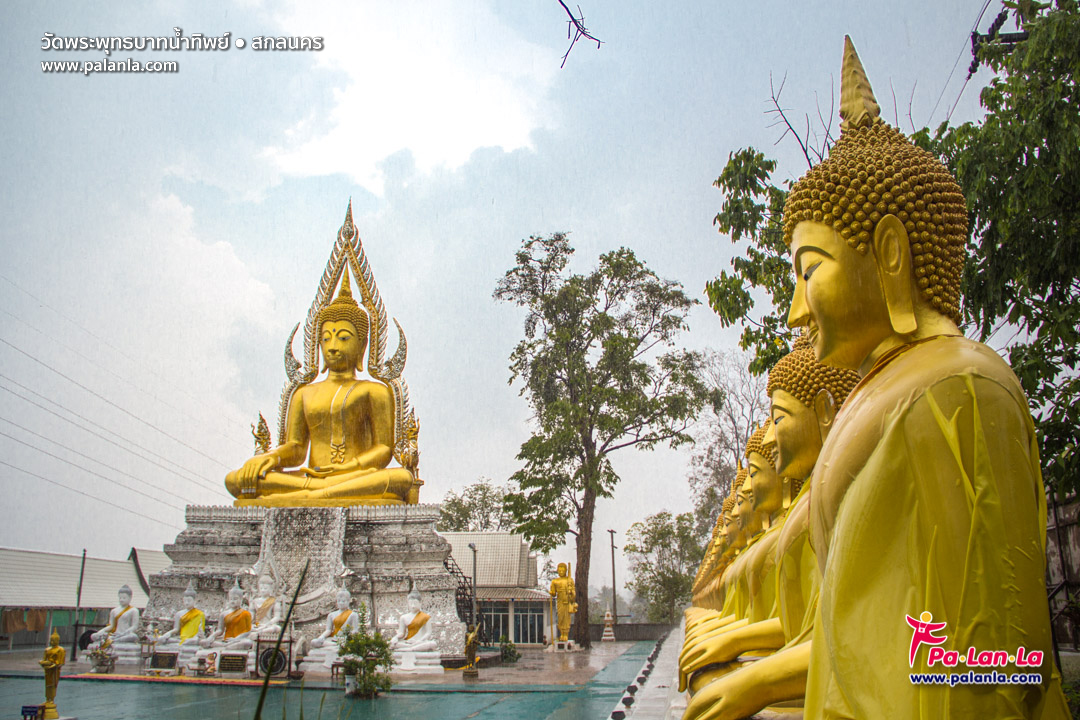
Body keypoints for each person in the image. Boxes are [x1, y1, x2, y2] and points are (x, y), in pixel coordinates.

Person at [781, 36, 1067, 719]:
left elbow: (995, 660)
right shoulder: (888, 391)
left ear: (889, 252)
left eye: (808, 271)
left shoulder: (959, 389)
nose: (795, 310)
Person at [224, 272, 415, 504]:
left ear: (363, 345)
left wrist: (346, 469)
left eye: (344, 338)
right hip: (311, 477)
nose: (333, 347)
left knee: (400, 478)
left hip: (354, 477)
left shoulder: (373, 391)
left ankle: (309, 496)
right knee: (235, 480)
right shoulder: (304, 393)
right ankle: (319, 493)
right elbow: (296, 449)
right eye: (326, 339)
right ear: (318, 344)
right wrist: (270, 458)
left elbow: (384, 449)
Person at [388, 584, 436, 652]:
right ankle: (410, 648)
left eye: (415, 603)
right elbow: (401, 633)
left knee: (433, 644)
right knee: (391, 643)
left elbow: (428, 633)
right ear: (408, 604)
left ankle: (410, 649)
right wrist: (395, 637)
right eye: (411, 603)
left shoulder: (426, 617)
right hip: (408, 642)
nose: (413, 606)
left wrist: (419, 641)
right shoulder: (403, 617)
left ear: (420, 603)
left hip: (420, 642)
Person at [157, 581, 205, 647]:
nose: (187, 603)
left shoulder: (200, 614)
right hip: (181, 638)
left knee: (195, 641)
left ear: (195, 601)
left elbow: (200, 632)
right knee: (162, 639)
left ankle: (181, 644)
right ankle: (181, 643)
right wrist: (168, 633)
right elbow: (176, 629)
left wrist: (195, 637)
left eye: (189, 600)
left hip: (193, 639)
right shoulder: (179, 614)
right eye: (185, 601)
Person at [39, 630, 65, 719]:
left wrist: (53, 665)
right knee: (47, 685)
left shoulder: (61, 650)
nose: (52, 642)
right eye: (51, 640)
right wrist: (44, 663)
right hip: (48, 670)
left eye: (54, 640)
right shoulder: (47, 649)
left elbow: (60, 662)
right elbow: (44, 659)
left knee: (53, 685)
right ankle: (47, 699)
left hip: (54, 670)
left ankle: (51, 700)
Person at [548, 562, 576, 643]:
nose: (561, 572)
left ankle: (565, 634)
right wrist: (551, 593)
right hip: (560, 601)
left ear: (566, 571)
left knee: (567, 619)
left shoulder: (570, 580)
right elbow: (553, 593)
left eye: (562, 571)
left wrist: (571, 592)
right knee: (560, 618)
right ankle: (561, 634)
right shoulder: (555, 581)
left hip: (567, 601)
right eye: (559, 571)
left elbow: (574, 593)